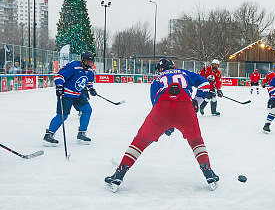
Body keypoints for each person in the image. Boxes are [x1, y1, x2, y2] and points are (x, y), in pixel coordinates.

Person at [104, 58, 219, 192]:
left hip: (162, 107)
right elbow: (205, 84)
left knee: (140, 141)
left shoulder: (157, 79)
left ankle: (119, 174)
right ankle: (207, 171)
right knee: (196, 141)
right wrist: (196, 102)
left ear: (160, 70)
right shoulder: (184, 72)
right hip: (185, 107)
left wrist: (165, 124)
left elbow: (155, 104)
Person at [43, 50, 97, 146]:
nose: (89, 64)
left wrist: (91, 88)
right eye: (87, 61)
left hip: (78, 95)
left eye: (91, 62)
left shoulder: (90, 71)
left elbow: (88, 82)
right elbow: (59, 76)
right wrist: (59, 86)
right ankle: (49, 134)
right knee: (63, 115)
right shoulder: (73, 66)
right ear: (82, 60)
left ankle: (82, 133)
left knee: (87, 110)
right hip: (66, 95)